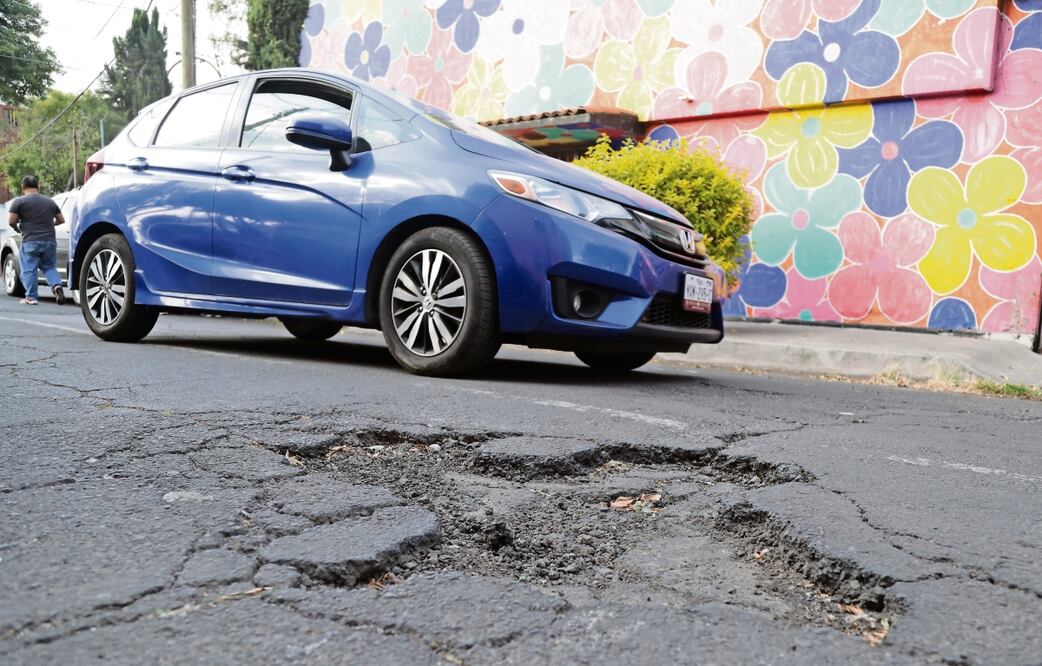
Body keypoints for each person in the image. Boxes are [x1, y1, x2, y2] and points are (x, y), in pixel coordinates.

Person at [7, 175, 66, 305]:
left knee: (29, 269)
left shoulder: (19, 202)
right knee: (49, 267)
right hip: (49, 240)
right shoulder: (49, 201)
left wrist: (18, 228)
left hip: (30, 240)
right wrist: (50, 224)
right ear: (38, 186)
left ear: (23, 188)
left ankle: (31, 297)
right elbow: (61, 220)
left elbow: (11, 220)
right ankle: (57, 286)